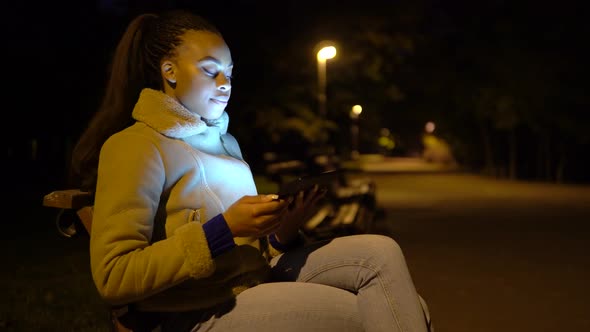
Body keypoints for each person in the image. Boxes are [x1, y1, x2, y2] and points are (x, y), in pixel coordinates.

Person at [70, 9, 433, 332]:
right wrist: (222, 229)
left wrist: (284, 229)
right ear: (169, 71)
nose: (225, 84)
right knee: (383, 311)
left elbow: (253, 247)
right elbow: (113, 276)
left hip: (255, 282)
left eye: (229, 73)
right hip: (197, 310)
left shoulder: (225, 142)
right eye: (210, 71)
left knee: (382, 255)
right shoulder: (136, 146)